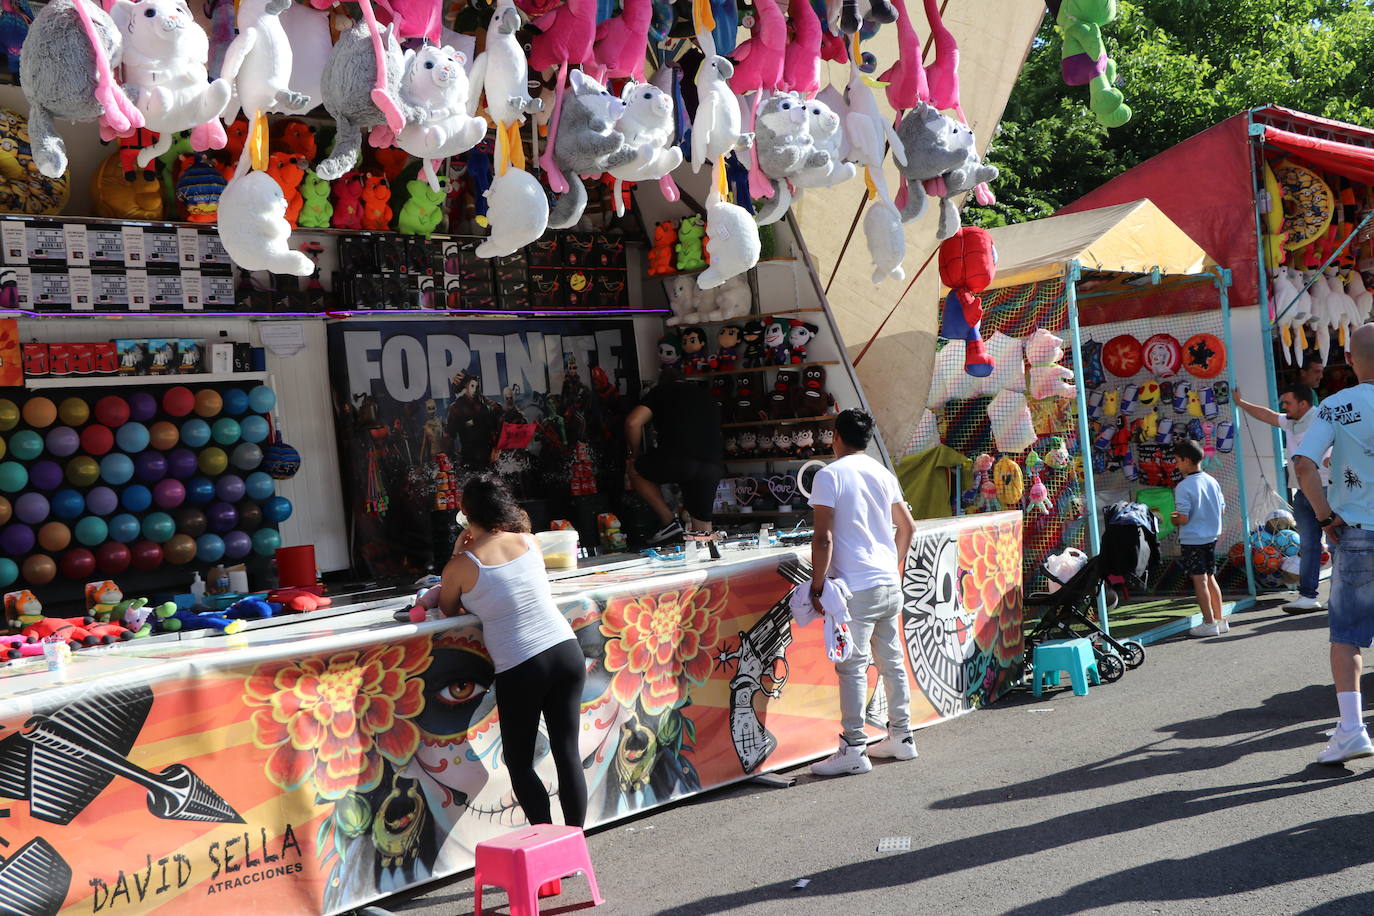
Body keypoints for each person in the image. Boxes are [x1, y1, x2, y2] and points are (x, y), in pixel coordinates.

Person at [438, 476, 588, 832]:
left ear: (464, 513)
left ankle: (547, 844)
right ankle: (574, 843)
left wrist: (458, 553)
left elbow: (447, 608)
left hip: (522, 666)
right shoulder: (528, 541)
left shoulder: (462, 565)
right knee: (568, 754)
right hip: (565, 650)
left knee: (520, 764)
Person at [807, 409, 918, 777]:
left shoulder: (828, 475)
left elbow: (823, 537)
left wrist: (817, 585)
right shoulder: (882, 472)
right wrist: (891, 564)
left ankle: (853, 747)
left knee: (853, 667)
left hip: (856, 586)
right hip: (887, 582)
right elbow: (908, 527)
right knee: (891, 662)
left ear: (836, 437)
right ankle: (901, 736)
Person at [1293, 323, 1374, 764]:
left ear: (1350, 360)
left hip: (1357, 533)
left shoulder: (1335, 406)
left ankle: (1352, 729)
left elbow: (1304, 465)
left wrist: (1324, 517)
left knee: (1347, 638)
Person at [1234, 383, 1328, 613]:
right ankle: (1308, 596)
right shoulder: (1290, 421)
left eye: (1288, 402)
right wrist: (1241, 403)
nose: (1284, 406)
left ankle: (1339, 596)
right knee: (1308, 544)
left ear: (1303, 404)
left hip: (1326, 489)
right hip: (1302, 492)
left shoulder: (1322, 419)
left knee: (1337, 544)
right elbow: (1267, 415)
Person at [624, 368, 724, 544]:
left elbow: (633, 422)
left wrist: (635, 453)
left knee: (634, 470)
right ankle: (705, 553)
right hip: (711, 465)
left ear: (662, 382)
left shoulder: (661, 391)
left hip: (677, 460)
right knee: (703, 531)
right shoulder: (706, 395)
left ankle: (669, 521)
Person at [1170, 439, 1227, 638]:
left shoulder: (1183, 486)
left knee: (1199, 580)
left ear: (1186, 460)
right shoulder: (1212, 481)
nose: (1176, 465)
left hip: (1193, 540)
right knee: (1210, 578)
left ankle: (1209, 622)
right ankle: (1220, 620)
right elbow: (1222, 509)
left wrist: (1174, 518)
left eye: (1177, 461)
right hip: (1211, 536)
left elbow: (1183, 518)